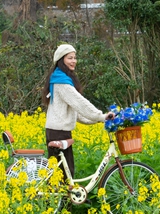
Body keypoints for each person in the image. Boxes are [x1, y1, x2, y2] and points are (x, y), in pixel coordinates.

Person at [43, 44, 114, 178]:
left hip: (58, 131)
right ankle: (56, 199)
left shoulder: (59, 78)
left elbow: (76, 111)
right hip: (58, 133)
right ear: (61, 60)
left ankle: (64, 198)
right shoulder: (62, 82)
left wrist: (96, 119)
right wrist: (100, 116)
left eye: (75, 58)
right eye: (70, 58)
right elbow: (80, 103)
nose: (74, 61)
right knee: (62, 174)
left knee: (64, 173)